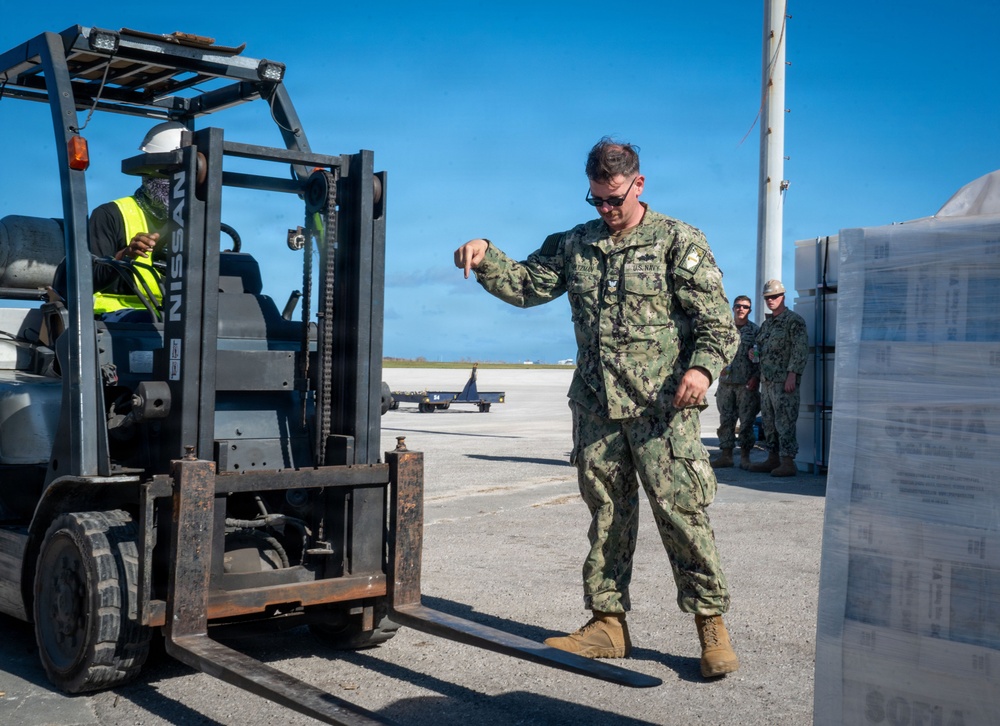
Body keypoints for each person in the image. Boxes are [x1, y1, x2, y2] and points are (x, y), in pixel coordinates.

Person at [453, 137, 740, 678]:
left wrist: (701, 370)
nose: (607, 211)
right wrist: (486, 252)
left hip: (663, 411)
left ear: (639, 184)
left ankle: (710, 625)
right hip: (597, 408)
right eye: (597, 202)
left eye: (615, 200)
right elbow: (527, 286)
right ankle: (608, 625)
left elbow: (717, 324)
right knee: (608, 517)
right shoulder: (576, 244)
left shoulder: (679, 241)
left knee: (682, 516)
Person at [90, 121, 186, 321]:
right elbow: (88, 279)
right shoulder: (110, 214)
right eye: (169, 175)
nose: (178, 185)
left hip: (169, 320)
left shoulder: (193, 220)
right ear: (148, 173)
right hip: (111, 323)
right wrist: (125, 255)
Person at [747, 279, 808, 477]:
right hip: (767, 381)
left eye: (774, 296)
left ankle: (788, 462)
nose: (770, 300)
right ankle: (772, 458)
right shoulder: (767, 325)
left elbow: (800, 350)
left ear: (783, 296)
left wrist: (793, 375)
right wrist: (753, 358)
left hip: (784, 382)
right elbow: (760, 350)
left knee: (785, 421)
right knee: (769, 422)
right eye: (767, 297)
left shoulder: (793, 321)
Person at [710, 295, 760, 470]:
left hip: (746, 385)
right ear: (733, 308)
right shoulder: (724, 329)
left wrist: (756, 377)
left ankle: (745, 457)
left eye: (745, 307)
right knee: (726, 421)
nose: (741, 309)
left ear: (749, 310)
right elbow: (713, 352)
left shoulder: (755, 331)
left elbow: (761, 357)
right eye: (738, 306)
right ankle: (726, 456)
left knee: (746, 422)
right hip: (726, 385)